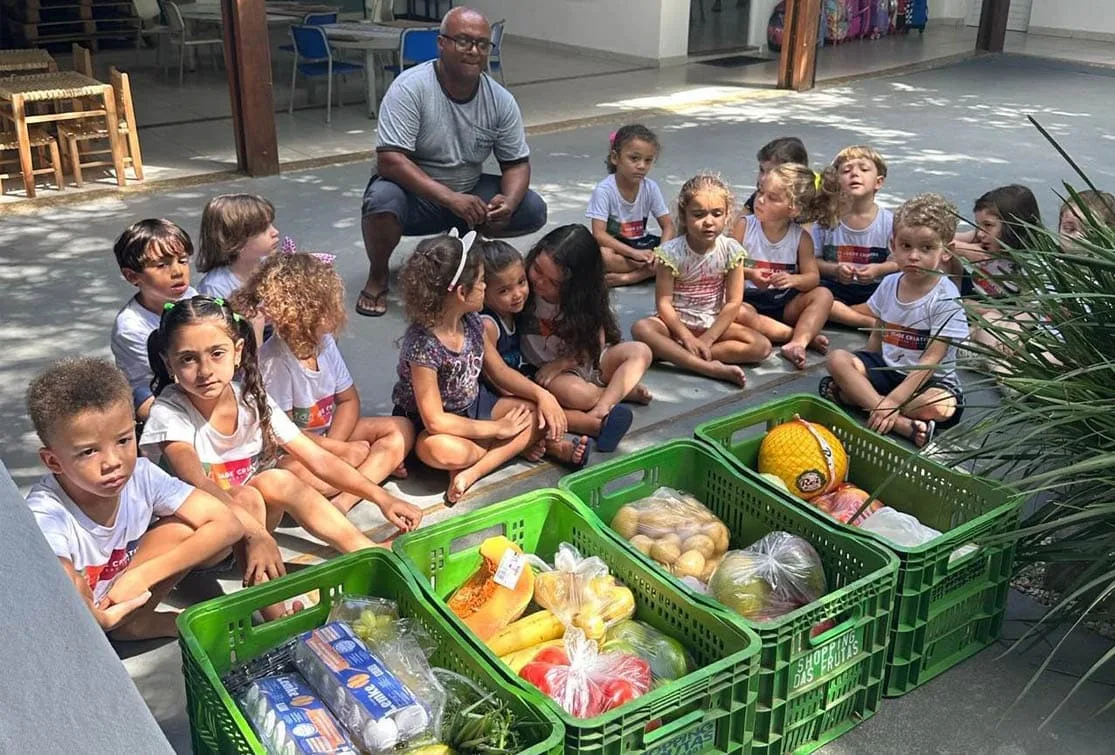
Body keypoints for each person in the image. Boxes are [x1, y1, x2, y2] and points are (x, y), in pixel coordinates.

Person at [140, 297, 421, 605]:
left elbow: (317, 458)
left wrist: (381, 497)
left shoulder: (249, 398)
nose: (205, 370)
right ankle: (274, 610)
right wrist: (256, 535)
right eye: (188, 359)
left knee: (275, 480)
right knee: (246, 495)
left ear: (237, 352)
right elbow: (200, 484)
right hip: (203, 540)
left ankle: (367, 550)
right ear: (169, 364)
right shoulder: (169, 413)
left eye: (216, 353)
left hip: (250, 525)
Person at [25, 357, 242, 640]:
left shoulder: (141, 475)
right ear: (53, 462)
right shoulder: (46, 511)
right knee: (65, 579)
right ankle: (130, 625)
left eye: (124, 440)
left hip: (125, 595)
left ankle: (136, 622)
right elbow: (59, 585)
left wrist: (142, 576)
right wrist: (99, 619)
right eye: (89, 452)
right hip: (78, 626)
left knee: (185, 528)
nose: (113, 462)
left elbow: (228, 524)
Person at [358, 6, 548, 317]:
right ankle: (378, 275)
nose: (473, 51)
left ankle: (469, 256)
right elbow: (390, 161)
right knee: (381, 202)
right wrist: (450, 199)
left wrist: (509, 203)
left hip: (468, 192)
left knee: (531, 208)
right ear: (442, 43)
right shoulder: (411, 88)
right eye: (463, 41)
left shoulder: (500, 100)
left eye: (482, 44)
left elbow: (516, 164)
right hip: (416, 196)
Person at [232, 253, 415, 514]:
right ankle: (369, 470)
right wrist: (342, 452)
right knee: (293, 475)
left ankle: (344, 500)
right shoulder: (273, 362)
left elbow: (348, 400)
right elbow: (285, 436)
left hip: (330, 438)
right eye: (327, 305)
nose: (337, 310)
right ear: (301, 312)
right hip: (294, 452)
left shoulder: (325, 343)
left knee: (401, 428)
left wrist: (338, 447)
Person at [391, 231, 540, 503]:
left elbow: (500, 373)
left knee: (535, 414)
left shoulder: (471, 319)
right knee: (440, 450)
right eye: (482, 282)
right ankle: (499, 450)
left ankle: (471, 472)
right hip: (432, 426)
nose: (485, 287)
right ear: (462, 292)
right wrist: (498, 430)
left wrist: (545, 396)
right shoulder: (424, 344)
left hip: (473, 405)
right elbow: (435, 420)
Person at [821, 194, 969, 448]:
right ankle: (901, 424)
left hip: (928, 381)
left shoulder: (946, 297)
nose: (914, 256)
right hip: (887, 370)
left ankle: (864, 402)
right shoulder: (890, 283)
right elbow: (880, 329)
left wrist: (892, 400)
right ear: (893, 245)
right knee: (837, 360)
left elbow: (931, 360)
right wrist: (864, 368)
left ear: (947, 252)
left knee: (939, 406)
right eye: (906, 245)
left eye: (926, 248)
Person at [521, 224, 653, 452]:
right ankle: (619, 391)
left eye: (553, 282)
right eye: (537, 269)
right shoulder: (523, 290)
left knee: (641, 351)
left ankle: (602, 408)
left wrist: (565, 362)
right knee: (576, 394)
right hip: (552, 372)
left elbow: (596, 341)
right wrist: (558, 367)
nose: (540, 282)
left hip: (585, 358)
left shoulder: (584, 301)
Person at [631, 174, 771, 386]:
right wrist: (686, 337)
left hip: (712, 323)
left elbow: (733, 302)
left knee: (761, 346)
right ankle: (706, 367)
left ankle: (676, 355)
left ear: (727, 215)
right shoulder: (671, 252)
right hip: (674, 325)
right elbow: (664, 304)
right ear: (684, 216)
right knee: (642, 329)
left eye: (717, 214)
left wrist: (707, 339)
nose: (708, 222)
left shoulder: (732, 251)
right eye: (698, 215)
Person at [477, 238, 592, 467]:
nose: (518, 293)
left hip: (518, 380)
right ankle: (561, 445)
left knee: (549, 402)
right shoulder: (488, 324)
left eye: (521, 282)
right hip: (496, 392)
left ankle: (595, 424)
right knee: (535, 410)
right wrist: (526, 394)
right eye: (504, 290)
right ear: (483, 291)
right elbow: (492, 374)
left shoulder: (511, 312)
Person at [732, 163, 837, 370]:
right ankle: (796, 336)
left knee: (824, 295)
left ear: (794, 209)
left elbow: (812, 277)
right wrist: (750, 273)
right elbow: (726, 266)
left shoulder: (801, 238)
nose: (760, 200)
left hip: (783, 302)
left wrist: (794, 280)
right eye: (760, 191)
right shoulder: (744, 226)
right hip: (748, 299)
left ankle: (797, 343)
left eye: (772, 198)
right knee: (738, 312)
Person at [110, 219, 198, 422]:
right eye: (161, 265)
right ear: (132, 276)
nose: (177, 271)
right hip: (154, 390)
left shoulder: (189, 296)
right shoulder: (131, 328)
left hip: (192, 372)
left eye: (182, 261)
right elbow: (166, 377)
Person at [950, 184, 1042, 355]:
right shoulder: (980, 238)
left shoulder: (1029, 263)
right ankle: (987, 349)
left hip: (1003, 318)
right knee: (940, 255)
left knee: (996, 324)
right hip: (971, 303)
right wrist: (963, 249)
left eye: (988, 225)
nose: (980, 233)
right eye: (978, 225)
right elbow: (935, 240)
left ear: (1014, 227)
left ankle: (988, 349)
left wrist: (1008, 327)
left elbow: (1033, 312)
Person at [813, 145, 896, 329]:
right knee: (816, 295)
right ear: (836, 182)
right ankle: (868, 322)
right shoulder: (826, 221)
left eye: (864, 169)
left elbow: (897, 262)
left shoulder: (890, 222)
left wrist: (879, 269)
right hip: (836, 289)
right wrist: (835, 269)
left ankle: (845, 314)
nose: (855, 174)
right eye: (846, 170)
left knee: (900, 289)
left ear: (878, 182)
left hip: (874, 290)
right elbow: (813, 261)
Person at [586, 124, 676, 287]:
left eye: (648, 160)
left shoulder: (650, 187)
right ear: (615, 158)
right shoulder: (604, 190)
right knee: (602, 256)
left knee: (684, 243)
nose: (641, 165)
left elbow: (668, 225)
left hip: (642, 243)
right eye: (634, 158)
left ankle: (632, 277)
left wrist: (661, 253)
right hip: (618, 247)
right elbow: (599, 234)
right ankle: (656, 271)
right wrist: (634, 253)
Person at [196, 194, 280, 300]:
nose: (275, 232)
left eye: (271, 225)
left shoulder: (273, 267)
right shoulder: (215, 288)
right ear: (234, 239)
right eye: (263, 229)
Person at [741, 136, 809, 215]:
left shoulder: (807, 206)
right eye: (762, 170)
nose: (763, 178)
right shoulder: (759, 196)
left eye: (771, 173)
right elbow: (738, 222)